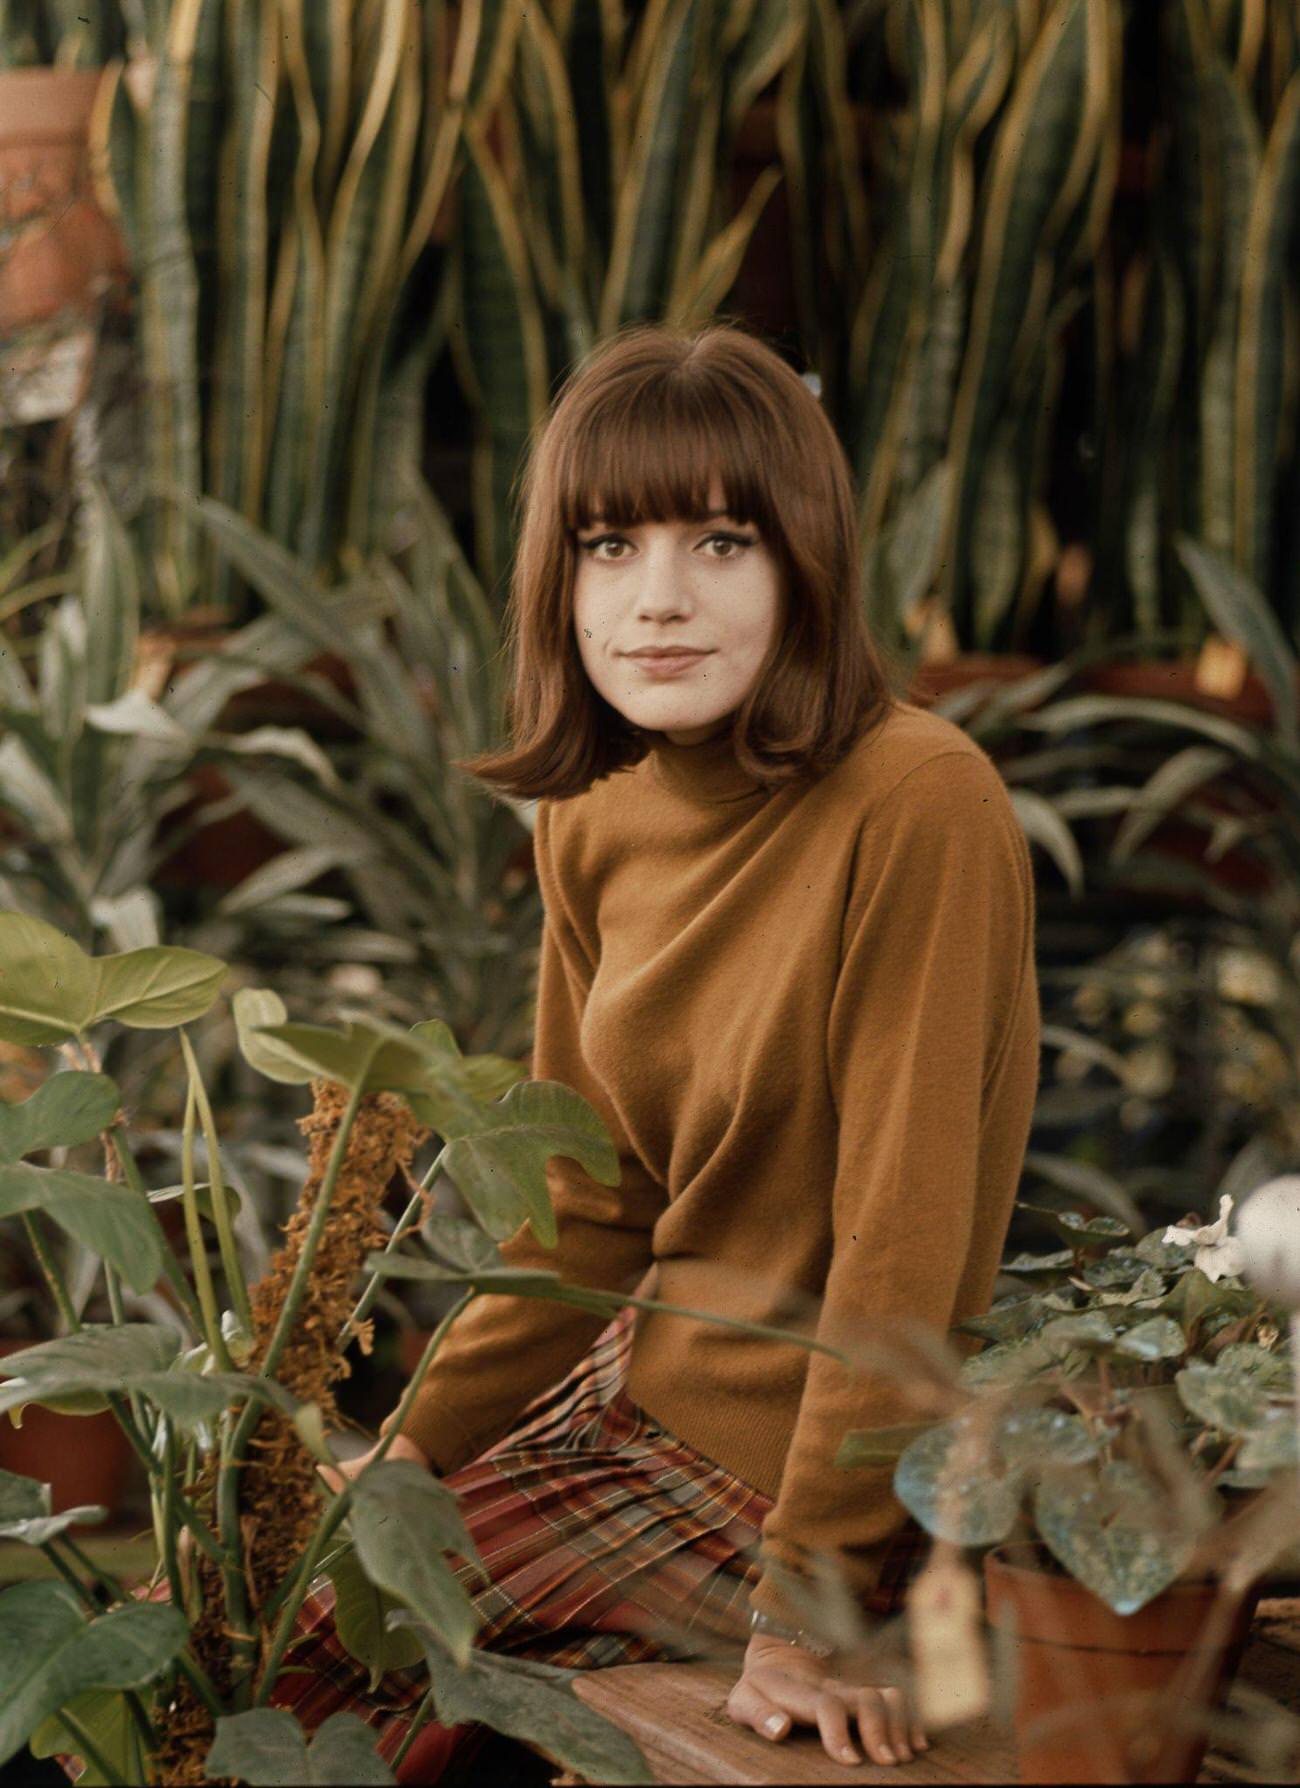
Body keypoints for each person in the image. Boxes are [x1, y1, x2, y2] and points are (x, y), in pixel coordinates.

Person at [284, 320, 1041, 1781]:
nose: (659, 602)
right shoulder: (596, 811)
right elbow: (593, 1195)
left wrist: (810, 1607)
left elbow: (909, 1240)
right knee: (235, 1621)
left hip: (790, 1467)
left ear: (804, 561)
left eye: (722, 541)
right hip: (629, 1399)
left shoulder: (921, 800)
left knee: (334, 1677)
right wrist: (420, 1443)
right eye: (609, 547)